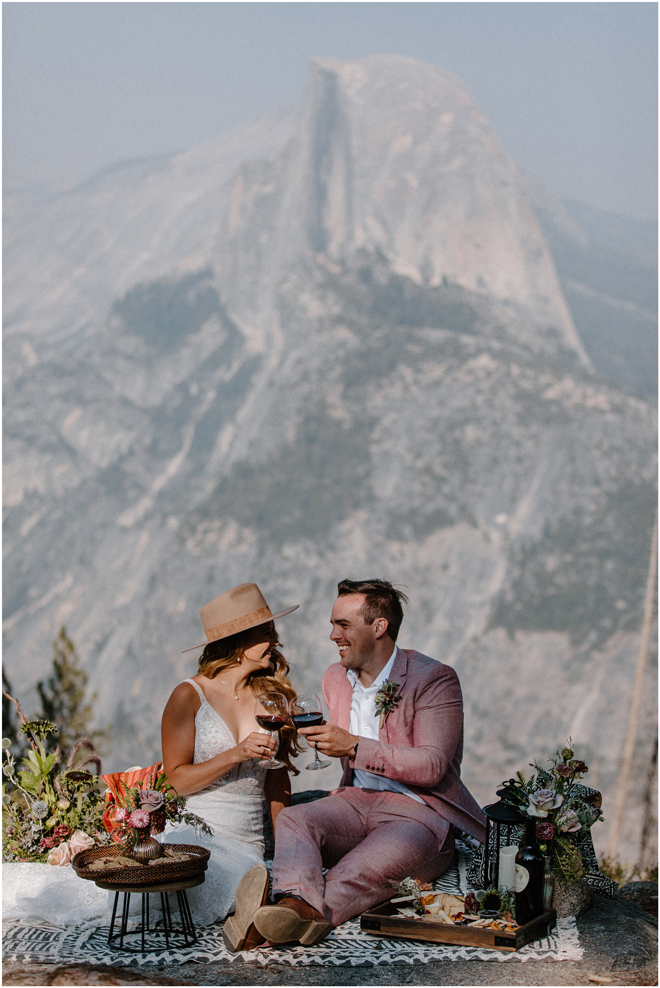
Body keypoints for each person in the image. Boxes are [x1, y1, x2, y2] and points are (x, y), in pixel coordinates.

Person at [228, 578, 487, 948]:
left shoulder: (433, 679)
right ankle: (290, 911)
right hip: (354, 801)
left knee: (356, 871)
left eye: (343, 625)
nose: (333, 635)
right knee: (294, 818)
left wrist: (353, 747)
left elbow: (433, 767)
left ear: (379, 627)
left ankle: (277, 917)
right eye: (333, 624)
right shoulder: (335, 678)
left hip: (418, 813)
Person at [161, 582, 302, 936]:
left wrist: (285, 846)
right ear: (239, 642)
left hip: (250, 841)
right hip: (199, 832)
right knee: (204, 881)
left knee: (261, 878)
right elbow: (174, 783)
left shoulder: (272, 697)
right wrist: (235, 754)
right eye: (267, 632)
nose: (277, 641)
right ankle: (249, 923)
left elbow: (277, 780)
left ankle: (253, 921)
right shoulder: (188, 696)